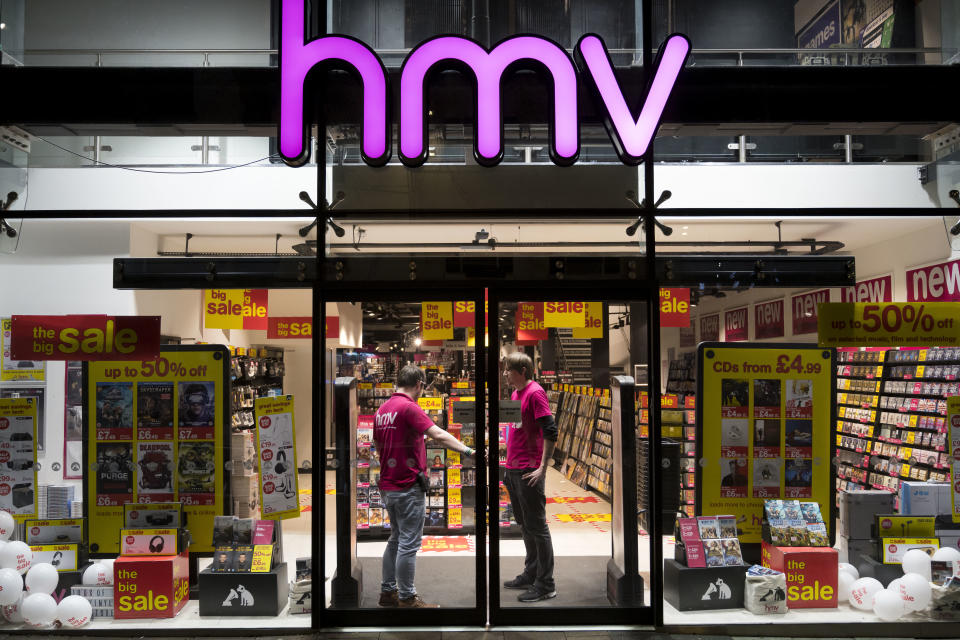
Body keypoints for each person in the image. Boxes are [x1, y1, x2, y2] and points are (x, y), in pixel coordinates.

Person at [373, 364, 475, 608]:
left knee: (396, 539)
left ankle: (388, 592)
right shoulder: (409, 407)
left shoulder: (382, 409)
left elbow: (378, 446)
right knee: (408, 543)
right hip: (407, 486)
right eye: (423, 388)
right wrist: (468, 450)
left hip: (388, 484)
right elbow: (438, 434)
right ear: (418, 384)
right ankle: (407, 597)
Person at [501, 351, 558, 602]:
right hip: (513, 468)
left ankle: (546, 584)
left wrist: (543, 467)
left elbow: (550, 430)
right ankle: (532, 572)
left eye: (508, 370)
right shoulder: (515, 394)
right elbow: (515, 428)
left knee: (538, 526)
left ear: (522, 371)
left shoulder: (535, 393)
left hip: (528, 469)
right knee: (525, 525)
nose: (505, 375)